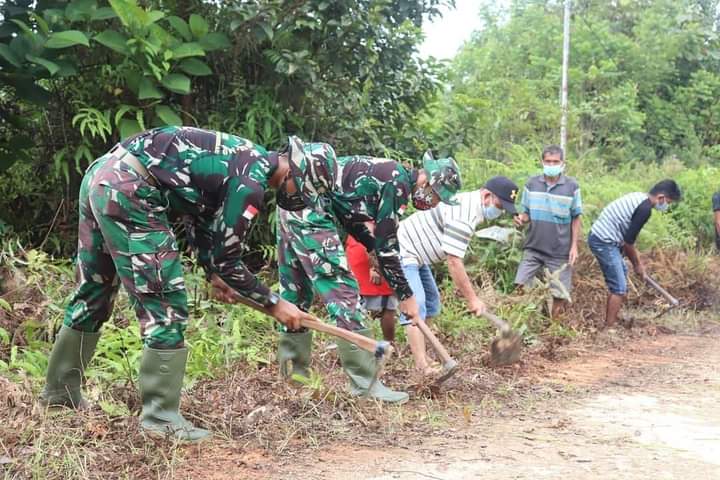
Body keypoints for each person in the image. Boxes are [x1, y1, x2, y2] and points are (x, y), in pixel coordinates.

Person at [39, 126, 331, 442]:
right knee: (165, 303)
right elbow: (229, 259)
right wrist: (274, 303)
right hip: (132, 190)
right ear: (300, 176)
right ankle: (161, 420)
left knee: (95, 290)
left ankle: (59, 397)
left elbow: (200, 219)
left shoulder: (244, 158)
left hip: (105, 175)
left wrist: (212, 274)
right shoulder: (251, 183)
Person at [275, 151, 462, 403]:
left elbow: (358, 222)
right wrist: (406, 296)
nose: (435, 204)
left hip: (293, 203)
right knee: (343, 291)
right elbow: (388, 246)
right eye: (437, 197)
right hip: (311, 209)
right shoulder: (396, 182)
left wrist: (374, 250)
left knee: (296, 291)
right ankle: (366, 384)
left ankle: (294, 382)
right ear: (427, 182)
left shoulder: (389, 173)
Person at [397, 176, 519, 373]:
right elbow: (454, 261)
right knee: (416, 307)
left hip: (418, 257)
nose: (500, 210)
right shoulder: (465, 213)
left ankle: (425, 355)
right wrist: (472, 299)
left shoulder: (472, 207)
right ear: (487, 195)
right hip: (402, 250)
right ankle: (421, 365)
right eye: (499, 205)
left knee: (432, 304)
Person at [588, 180, 682, 329]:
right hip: (603, 241)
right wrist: (638, 265)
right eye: (668, 203)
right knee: (619, 287)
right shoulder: (645, 209)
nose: (666, 206)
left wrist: (632, 262)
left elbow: (626, 237)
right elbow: (628, 242)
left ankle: (615, 318)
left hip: (609, 240)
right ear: (661, 197)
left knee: (622, 278)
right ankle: (608, 329)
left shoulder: (639, 197)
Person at [513, 145, 582, 317]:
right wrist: (521, 219)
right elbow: (527, 213)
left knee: (559, 295)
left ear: (563, 163)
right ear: (542, 162)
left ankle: (554, 330)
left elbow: (576, 217)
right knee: (520, 285)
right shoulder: (532, 184)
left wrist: (574, 246)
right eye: (548, 161)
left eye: (555, 162)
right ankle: (527, 322)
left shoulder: (572, 186)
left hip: (560, 250)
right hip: (533, 246)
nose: (551, 164)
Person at [346, 228, 398, 343]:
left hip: (369, 250)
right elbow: (369, 226)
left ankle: (382, 346)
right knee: (382, 308)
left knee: (385, 307)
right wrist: (374, 266)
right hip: (370, 254)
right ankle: (380, 347)